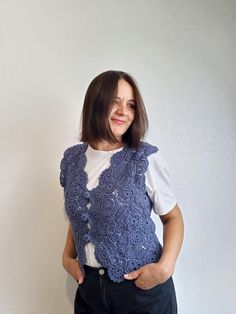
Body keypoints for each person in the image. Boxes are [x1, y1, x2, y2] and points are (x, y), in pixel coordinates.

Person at [60, 70, 184, 314]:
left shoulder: (144, 158)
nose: (123, 111)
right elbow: (81, 217)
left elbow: (173, 218)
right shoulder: (72, 160)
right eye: (114, 102)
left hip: (142, 293)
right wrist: (67, 257)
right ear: (95, 104)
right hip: (90, 292)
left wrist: (164, 269)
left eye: (131, 105)